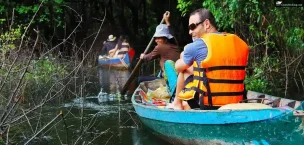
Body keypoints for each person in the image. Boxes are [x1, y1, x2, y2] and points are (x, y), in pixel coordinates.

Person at [169, 8, 249, 110]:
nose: (190, 31)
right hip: (237, 102)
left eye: (193, 27)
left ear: (206, 24)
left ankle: (177, 103)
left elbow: (178, 67)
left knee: (184, 70)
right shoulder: (239, 43)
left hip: (209, 104)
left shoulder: (196, 45)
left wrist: (183, 54)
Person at [139, 11, 180, 79]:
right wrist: (167, 20)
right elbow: (172, 32)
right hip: (173, 75)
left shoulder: (160, 47)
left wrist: (143, 56)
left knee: (139, 79)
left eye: (159, 38)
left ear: (165, 38)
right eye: (156, 38)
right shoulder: (174, 44)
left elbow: (149, 57)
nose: (156, 40)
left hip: (169, 78)